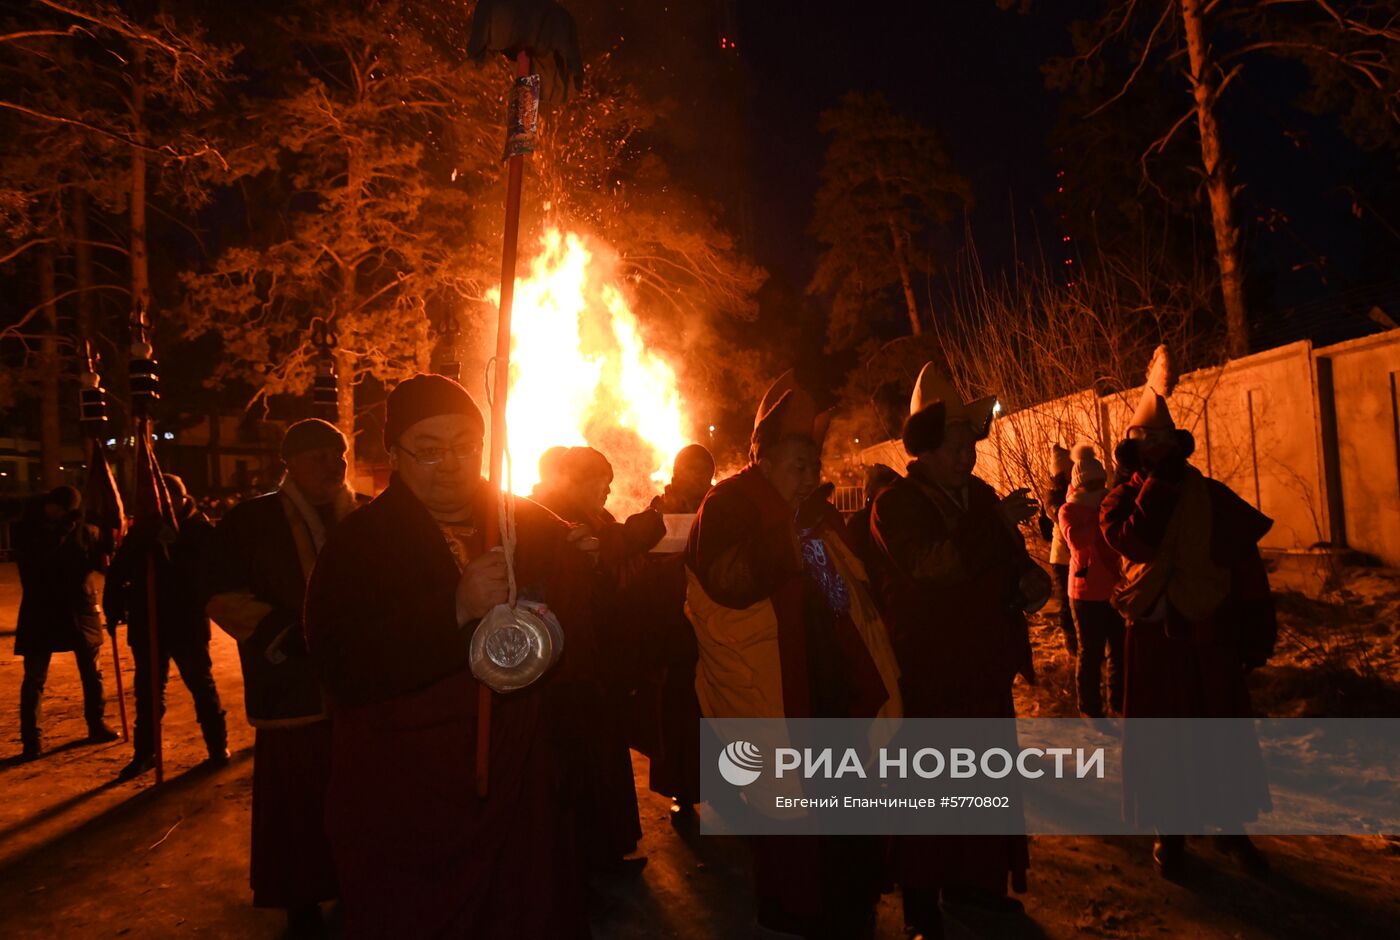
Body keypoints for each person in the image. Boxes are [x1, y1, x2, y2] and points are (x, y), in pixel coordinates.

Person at [303, 374, 593, 938]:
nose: (452, 464)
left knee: (523, 908)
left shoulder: (524, 520)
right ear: (395, 454)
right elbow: (339, 661)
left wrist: (585, 562)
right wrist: (453, 610)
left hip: (516, 773)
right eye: (430, 450)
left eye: (464, 446)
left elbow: (577, 622)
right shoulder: (359, 543)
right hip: (411, 786)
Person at [686, 372, 902, 938]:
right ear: (760, 457)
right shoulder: (727, 503)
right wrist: (787, 541)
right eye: (797, 463)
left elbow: (838, 595)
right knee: (793, 817)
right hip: (779, 691)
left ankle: (848, 907)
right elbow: (724, 581)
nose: (812, 474)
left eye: (815, 464)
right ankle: (795, 914)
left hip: (830, 687)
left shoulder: (812, 516)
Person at [869, 363, 1048, 936]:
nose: (966, 458)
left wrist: (1029, 581)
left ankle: (975, 885)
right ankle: (922, 905)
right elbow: (932, 568)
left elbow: (1009, 559)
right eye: (953, 447)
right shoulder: (896, 505)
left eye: (969, 445)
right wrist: (992, 524)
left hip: (982, 672)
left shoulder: (981, 495)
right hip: (929, 674)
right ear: (922, 451)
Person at [1100, 388, 1276, 880]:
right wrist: (1160, 485)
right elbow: (1137, 539)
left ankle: (1232, 827)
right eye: (1145, 439)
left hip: (1208, 631)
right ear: (1132, 446)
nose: (1155, 446)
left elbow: (1243, 560)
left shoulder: (1209, 493)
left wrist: (1258, 626)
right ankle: (1169, 831)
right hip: (1155, 638)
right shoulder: (1119, 498)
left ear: (1178, 442)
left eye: (1163, 439)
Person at [206, 419, 357, 935]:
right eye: (318, 456)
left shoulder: (361, 518)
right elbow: (221, 594)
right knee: (297, 801)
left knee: (359, 792)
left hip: (359, 687)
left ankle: (358, 883)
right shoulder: (251, 520)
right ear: (289, 461)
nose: (332, 466)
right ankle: (300, 897)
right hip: (291, 684)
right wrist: (280, 632)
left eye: (338, 456)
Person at [532, 445, 662, 871]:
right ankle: (584, 857)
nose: (606, 491)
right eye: (597, 482)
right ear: (574, 479)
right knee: (580, 765)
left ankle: (607, 846)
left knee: (603, 755)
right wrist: (637, 533)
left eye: (608, 482)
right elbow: (589, 559)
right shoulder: (547, 515)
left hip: (603, 660)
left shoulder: (596, 518)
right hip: (571, 663)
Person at [104, 474, 227, 781]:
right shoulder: (143, 530)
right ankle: (145, 753)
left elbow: (211, 572)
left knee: (201, 685)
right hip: (148, 622)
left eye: (168, 499)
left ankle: (217, 746)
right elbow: (119, 570)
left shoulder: (200, 529)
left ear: (182, 499)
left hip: (186, 622)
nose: (163, 506)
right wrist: (113, 608)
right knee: (147, 692)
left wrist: (175, 546)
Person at [639, 444, 716, 819]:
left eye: (704, 469)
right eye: (690, 468)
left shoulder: (718, 505)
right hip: (673, 623)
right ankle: (684, 791)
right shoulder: (660, 506)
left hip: (714, 620)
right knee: (680, 711)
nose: (697, 476)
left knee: (718, 708)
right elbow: (644, 556)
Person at [14, 486, 117, 760]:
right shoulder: (28, 530)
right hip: (42, 610)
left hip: (78, 610)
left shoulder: (83, 530)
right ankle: (31, 740)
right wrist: (64, 534)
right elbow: (34, 566)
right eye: (55, 506)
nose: (56, 511)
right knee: (34, 678)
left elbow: (100, 564)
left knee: (92, 672)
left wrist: (107, 540)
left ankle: (96, 724)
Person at [1057, 444, 1125, 718]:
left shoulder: (1111, 503)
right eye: (1093, 484)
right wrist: (1100, 515)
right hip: (1084, 594)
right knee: (1091, 654)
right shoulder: (1068, 511)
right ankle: (1090, 709)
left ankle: (1120, 704)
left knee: (1119, 653)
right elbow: (1076, 540)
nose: (1099, 488)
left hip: (1115, 589)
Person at [1044, 443, 1077, 655]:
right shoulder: (1057, 494)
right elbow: (1056, 517)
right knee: (1067, 599)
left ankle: (1074, 639)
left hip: (1066, 554)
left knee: (1071, 599)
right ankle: (1071, 641)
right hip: (1063, 557)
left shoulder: (1059, 491)